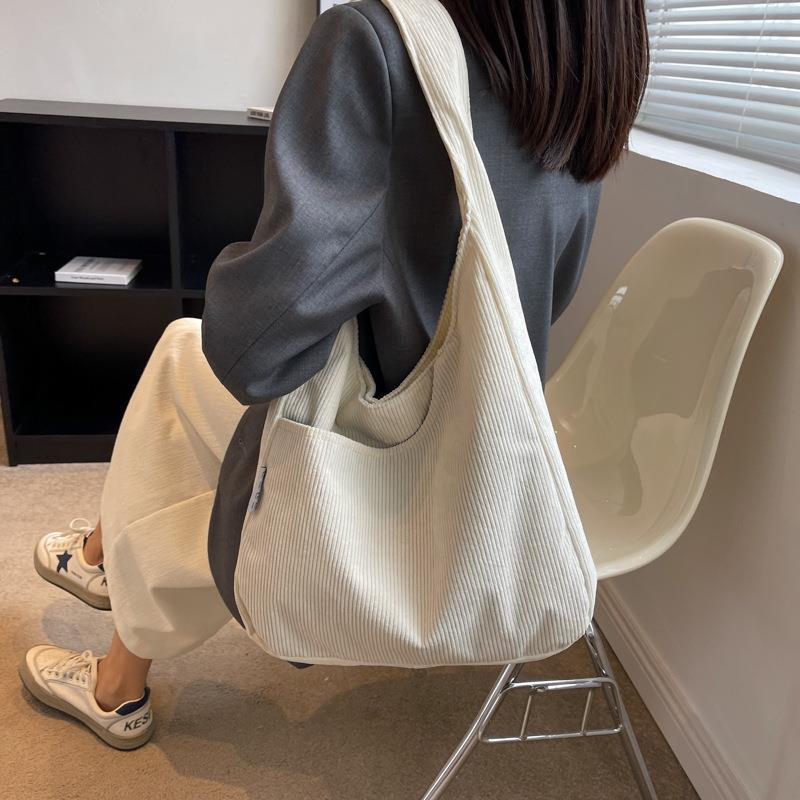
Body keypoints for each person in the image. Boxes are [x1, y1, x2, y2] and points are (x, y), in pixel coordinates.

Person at [19, 0, 649, 749]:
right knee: (185, 385)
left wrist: (240, 274)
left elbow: (254, 353)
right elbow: (547, 290)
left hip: (378, 454)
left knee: (182, 359)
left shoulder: (377, 46)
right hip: (491, 447)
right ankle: (101, 565)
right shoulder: (583, 84)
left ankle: (114, 664)